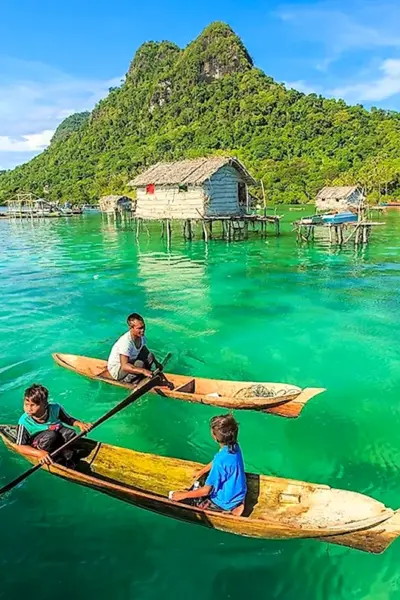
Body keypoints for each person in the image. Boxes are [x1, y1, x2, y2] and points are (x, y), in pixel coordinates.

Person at [171, 414, 247, 515]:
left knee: (187, 500)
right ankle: (237, 504)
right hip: (239, 493)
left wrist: (183, 495)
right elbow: (217, 460)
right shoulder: (234, 446)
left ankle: (229, 508)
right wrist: (201, 472)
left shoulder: (219, 462)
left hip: (224, 501)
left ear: (214, 436)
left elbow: (207, 491)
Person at [16, 384, 92, 466]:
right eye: (26, 405)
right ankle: (56, 458)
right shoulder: (24, 421)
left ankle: (67, 454)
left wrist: (80, 424)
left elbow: (68, 420)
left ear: (45, 405)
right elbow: (20, 446)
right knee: (51, 435)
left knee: (70, 433)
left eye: (33, 405)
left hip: (56, 438)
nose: (29, 409)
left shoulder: (55, 408)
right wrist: (39, 453)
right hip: (39, 445)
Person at [107, 313, 161, 383]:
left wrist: (156, 363)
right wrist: (143, 371)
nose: (143, 330)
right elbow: (124, 366)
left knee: (150, 356)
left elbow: (144, 349)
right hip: (118, 370)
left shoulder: (141, 336)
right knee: (139, 364)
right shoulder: (126, 342)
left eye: (143, 327)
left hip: (130, 361)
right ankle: (127, 381)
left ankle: (145, 376)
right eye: (139, 328)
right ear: (131, 328)